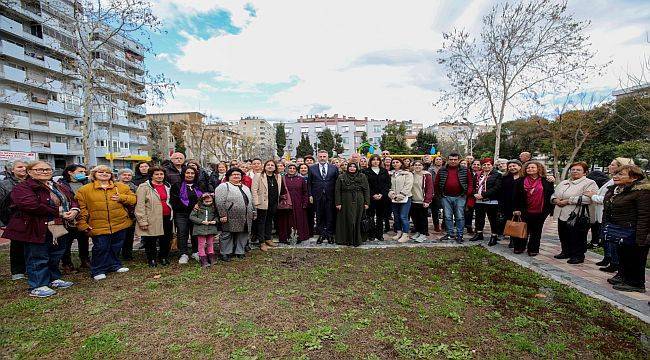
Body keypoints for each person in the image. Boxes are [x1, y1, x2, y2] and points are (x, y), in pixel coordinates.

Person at [3, 161, 78, 297]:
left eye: (47, 169)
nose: (45, 172)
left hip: (57, 224)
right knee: (37, 255)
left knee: (56, 252)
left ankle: (54, 278)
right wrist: (60, 211)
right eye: (39, 170)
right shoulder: (23, 187)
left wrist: (74, 209)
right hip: (35, 225)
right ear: (30, 172)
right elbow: (31, 205)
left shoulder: (57, 185)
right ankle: (38, 285)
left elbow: (71, 198)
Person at [75, 165, 136, 280]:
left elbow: (133, 199)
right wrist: (82, 224)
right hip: (98, 224)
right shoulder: (85, 190)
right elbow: (81, 209)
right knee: (101, 247)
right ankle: (98, 269)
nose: (104, 174)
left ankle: (114, 265)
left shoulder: (121, 187)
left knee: (116, 246)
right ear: (94, 174)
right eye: (101, 172)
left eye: (107, 172)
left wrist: (121, 197)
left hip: (119, 223)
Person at [602, 165, 650, 293]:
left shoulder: (642, 191)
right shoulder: (619, 190)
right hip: (621, 230)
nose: (615, 176)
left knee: (636, 257)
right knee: (624, 255)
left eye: (620, 174)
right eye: (615, 174)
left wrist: (641, 236)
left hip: (635, 230)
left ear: (634, 177)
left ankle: (636, 283)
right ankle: (624, 277)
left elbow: (645, 215)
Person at [585, 158, 635, 272]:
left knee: (613, 240)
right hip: (604, 214)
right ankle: (608, 258)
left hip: (613, 216)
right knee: (606, 238)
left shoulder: (620, 183)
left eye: (613, 165)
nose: (609, 166)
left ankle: (614, 262)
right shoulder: (611, 181)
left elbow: (609, 199)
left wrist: (593, 196)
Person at [550, 161, 598, 264]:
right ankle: (565, 252)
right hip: (561, 213)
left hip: (577, 215)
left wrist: (568, 200)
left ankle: (578, 256)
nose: (575, 171)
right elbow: (554, 194)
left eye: (578, 170)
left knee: (577, 236)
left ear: (585, 172)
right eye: (573, 169)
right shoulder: (564, 182)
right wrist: (555, 200)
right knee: (563, 234)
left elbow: (588, 199)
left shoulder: (590, 183)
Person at [512, 161, 555, 255]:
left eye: (532, 167)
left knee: (536, 231)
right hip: (524, 210)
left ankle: (533, 249)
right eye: (528, 168)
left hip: (540, 210)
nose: (530, 169)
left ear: (538, 169)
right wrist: (516, 209)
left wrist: (549, 210)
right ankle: (519, 247)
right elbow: (515, 196)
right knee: (523, 229)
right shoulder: (520, 181)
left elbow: (550, 194)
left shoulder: (546, 181)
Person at [135, 166, 173, 267]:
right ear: (151, 175)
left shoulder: (167, 186)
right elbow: (140, 205)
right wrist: (142, 221)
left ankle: (163, 257)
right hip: (152, 217)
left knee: (166, 239)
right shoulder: (144, 187)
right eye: (156, 174)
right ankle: (151, 259)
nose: (159, 176)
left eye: (161, 174)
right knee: (151, 240)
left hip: (167, 217)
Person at [215, 168, 256, 261]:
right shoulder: (224, 186)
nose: (236, 176)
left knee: (243, 233)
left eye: (238, 174)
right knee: (227, 234)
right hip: (230, 215)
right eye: (234, 174)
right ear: (229, 176)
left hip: (246, 216)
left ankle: (240, 251)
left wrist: (254, 211)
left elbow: (251, 201)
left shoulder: (245, 187)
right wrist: (222, 215)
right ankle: (225, 253)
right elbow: (220, 202)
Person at [56, 164, 90, 271]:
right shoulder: (61, 185)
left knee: (84, 239)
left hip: (83, 216)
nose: (83, 174)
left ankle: (85, 260)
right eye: (80, 172)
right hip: (68, 217)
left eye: (84, 172)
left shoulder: (85, 183)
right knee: (67, 241)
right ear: (70, 172)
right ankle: (67, 263)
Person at [434, 153, 474, 243]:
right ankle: (450, 234)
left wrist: (467, 193)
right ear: (448, 160)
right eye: (451, 159)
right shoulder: (442, 170)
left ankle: (460, 235)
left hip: (460, 197)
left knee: (459, 217)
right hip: (445, 197)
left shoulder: (465, 170)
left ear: (459, 160)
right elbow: (436, 183)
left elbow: (470, 182)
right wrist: (439, 195)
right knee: (447, 217)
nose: (453, 161)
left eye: (455, 159)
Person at [0, 159, 29, 280]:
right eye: (19, 167)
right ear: (12, 170)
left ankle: (30, 267)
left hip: (31, 218)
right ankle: (17, 271)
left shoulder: (32, 182)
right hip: (14, 218)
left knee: (32, 244)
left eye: (25, 167)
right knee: (17, 245)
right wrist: (2, 222)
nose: (23, 169)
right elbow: (1, 204)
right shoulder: (4, 184)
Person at [171, 167, 203, 264]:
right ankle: (183, 254)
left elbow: (204, 197)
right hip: (182, 214)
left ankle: (195, 251)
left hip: (196, 214)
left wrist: (199, 205)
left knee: (195, 233)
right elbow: (175, 201)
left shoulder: (199, 185)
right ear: (183, 174)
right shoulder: (177, 185)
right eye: (187, 173)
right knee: (182, 233)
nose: (190, 175)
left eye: (192, 173)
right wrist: (192, 206)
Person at [252, 160, 286, 251]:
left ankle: (268, 238)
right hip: (262, 203)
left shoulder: (278, 176)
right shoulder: (259, 175)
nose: (270, 166)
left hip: (273, 202)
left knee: (269, 221)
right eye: (268, 165)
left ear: (275, 167)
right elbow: (254, 190)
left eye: (272, 165)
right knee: (261, 222)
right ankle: (262, 242)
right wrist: (256, 202)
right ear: (265, 166)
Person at [308, 150, 339, 244]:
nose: (322, 158)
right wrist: (310, 195)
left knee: (330, 215)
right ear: (317, 157)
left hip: (331, 195)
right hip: (317, 196)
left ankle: (330, 235)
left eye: (324, 156)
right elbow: (309, 183)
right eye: (320, 156)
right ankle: (321, 234)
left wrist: (337, 197)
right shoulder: (312, 168)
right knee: (319, 215)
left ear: (327, 157)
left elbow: (337, 183)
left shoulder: (334, 168)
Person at [335, 163, 370, 246]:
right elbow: (337, 190)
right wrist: (338, 202)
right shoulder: (341, 177)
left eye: (354, 167)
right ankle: (346, 239)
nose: (352, 168)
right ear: (347, 167)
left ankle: (357, 239)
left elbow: (366, 190)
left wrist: (367, 202)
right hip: (345, 200)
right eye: (350, 166)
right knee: (346, 219)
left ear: (357, 168)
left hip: (359, 200)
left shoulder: (362, 176)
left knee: (357, 219)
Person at [470, 158, 502, 246]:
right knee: (479, 218)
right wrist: (475, 194)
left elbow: (497, 188)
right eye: (484, 165)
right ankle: (479, 233)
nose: (486, 166)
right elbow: (472, 186)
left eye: (488, 165)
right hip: (479, 201)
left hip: (491, 201)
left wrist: (483, 195)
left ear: (492, 166)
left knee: (493, 219)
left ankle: (494, 236)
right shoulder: (478, 174)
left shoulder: (497, 175)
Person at [277, 164, 310, 244]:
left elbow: (305, 192)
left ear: (296, 170)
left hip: (298, 203)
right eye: (290, 168)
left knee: (298, 220)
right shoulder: (282, 179)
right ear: (287, 169)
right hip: (287, 204)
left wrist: (305, 203)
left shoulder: (301, 179)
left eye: (293, 168)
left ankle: (299, 237)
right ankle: (286, 237)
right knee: (286, 220)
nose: (292, 170)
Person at [362, 155, 391, 242]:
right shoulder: (365, 171)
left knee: (380, 217)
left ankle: (380, 234)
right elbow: (365, 185)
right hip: (370, 197)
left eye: (377, 160)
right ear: (370, 161)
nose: (375, 161)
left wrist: (382, 194)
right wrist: (372, 195)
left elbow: (387, 184)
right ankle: (371, 234)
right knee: (370, 216)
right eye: (373, 160)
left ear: (380, 162)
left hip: (382, 198)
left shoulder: (384, 171)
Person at [190, 194, 219, 267]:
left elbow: (217, 216)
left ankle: (211, 257)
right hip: (200, 229)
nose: (209, 203)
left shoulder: (213, 207)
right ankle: (203, 258)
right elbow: (192, 217)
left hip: (210, 228)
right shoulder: (198, 207)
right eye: (207, 201)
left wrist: (215, 221)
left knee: (210, 243)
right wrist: (201, 221)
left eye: (210, 201)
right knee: (201, 244)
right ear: (202, 201)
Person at [389, 158, 414, 243]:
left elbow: (408, 185)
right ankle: (399, 232)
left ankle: (405, 234)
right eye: (393, 162)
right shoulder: (391, 174)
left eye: (397, 162)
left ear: (401, 163)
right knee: (396, 216)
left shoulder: (407, 174)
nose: (395, 164)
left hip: (405, 198)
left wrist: (402, 195)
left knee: (403, 216)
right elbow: (390, 185)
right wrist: (391, 193)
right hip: (394, 198)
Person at [500, 160, 523, 248]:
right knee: (510, 222)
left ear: (520, 166)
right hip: (508, 204)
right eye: (510, 166)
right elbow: (501, 192)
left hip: (521, 205)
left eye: (514, 166)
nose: (512, 168)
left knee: (520, 223)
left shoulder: (524, 177)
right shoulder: (505, 178)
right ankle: (512, 240)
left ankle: (520, 241)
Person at [409, 161, 434, 242]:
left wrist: (427, 200)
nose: (417, 166)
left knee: (422, 218)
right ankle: (418, 232)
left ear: (423, 166)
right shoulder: (411, 174)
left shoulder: (426, 175)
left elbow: (430, 189)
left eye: (419, 165)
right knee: (415, 218)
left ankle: (423, 234)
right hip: (413, 200)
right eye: (415, 165)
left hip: (422, 201)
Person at [117, 168, 138, 261]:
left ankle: (127, 255)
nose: (127, 177)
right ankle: (115, 254)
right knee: (117, 236)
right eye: (124, 175)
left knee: (129, 236)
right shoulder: (114, 186)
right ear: (119, 176)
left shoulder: (135, 187)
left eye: (129, 175)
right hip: (117, 214)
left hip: (131, 214)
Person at [465, 160, 482, 234]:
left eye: (478, 164)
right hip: (470, 195)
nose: (476, 166)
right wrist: (473, 193)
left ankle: (478, 229)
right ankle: (468, 227)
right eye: (474, 164)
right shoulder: (467, 173)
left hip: (481, 196)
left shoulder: (483, 174)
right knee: (469, 212)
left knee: (479, 214)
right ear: (471, 165)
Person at [428, 156, 444, 233]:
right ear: (434, 161)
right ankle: (436, 225)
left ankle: (444, 224)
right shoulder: (431, 169)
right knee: (435, 210)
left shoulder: (445, 169)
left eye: (440, 159)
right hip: (434, 192)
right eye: (437, 159)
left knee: (446, 209)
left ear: (442, 161)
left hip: (444, 191)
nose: (438, 161)